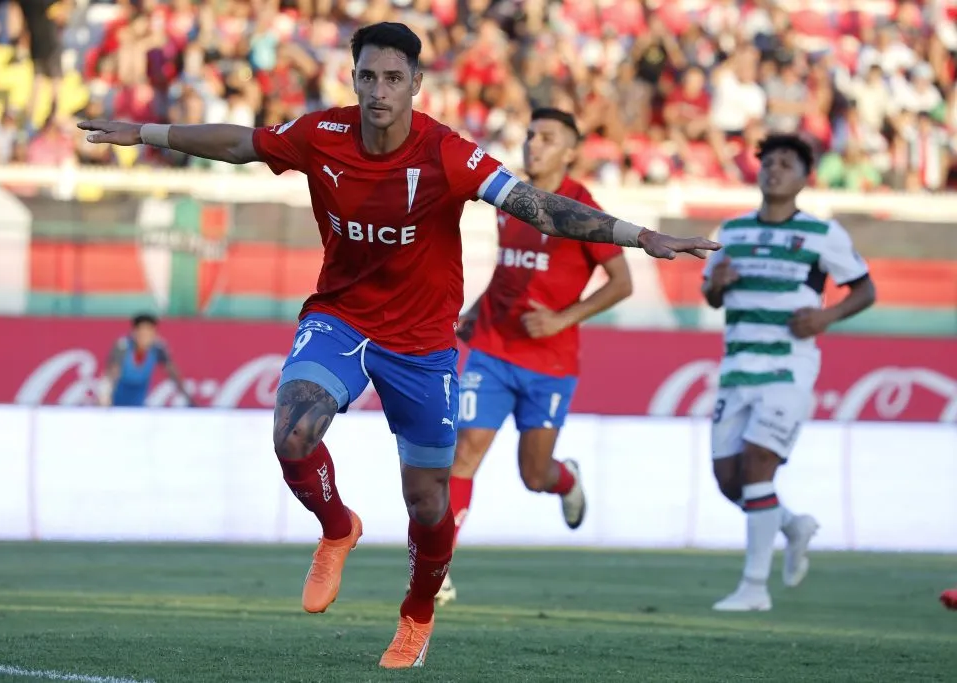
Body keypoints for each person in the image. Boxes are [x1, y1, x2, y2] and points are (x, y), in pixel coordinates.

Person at [80, 22, 720, 669]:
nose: (378, 90)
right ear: (352, 78)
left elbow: (538, 206)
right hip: (341, 319)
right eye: (367, 76)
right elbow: (243, 143)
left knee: (428, 500)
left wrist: (641, 236)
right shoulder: (321, 135)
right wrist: (147, 132)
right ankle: (338, 527)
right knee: (293, 431)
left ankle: (416, 611)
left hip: (420, 343)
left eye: (393, 78)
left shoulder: (448, 154)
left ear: (416, 83)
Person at [438, 108, 633, 606]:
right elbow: (510, 270)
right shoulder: (509, 199)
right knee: (463, 454)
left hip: (550, 362)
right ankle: (438, 570)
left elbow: (622, 284)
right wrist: (477, 311)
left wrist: (561, 319)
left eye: (547, 138)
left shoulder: (583, 207)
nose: (533, 145)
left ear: (570, 152)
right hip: (493, 349)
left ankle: (565, 478)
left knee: (535, 475)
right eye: (530, 135)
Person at [701, 134, 876, 612]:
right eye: (768, 162)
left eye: (786, 163)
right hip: (737, 366)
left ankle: (754, 588)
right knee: (728, 480)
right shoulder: (731, 231)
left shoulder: (823, 234)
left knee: (758, 463)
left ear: (804, 177)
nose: (774, 170)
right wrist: (715, 286)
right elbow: (712, 296)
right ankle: (793, 524)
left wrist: (825, 317)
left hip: (788, 367)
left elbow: (865, 290)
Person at [98, 313, 194, 408]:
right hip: (116, 402)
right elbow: (111, 374)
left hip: (139, 403)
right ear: (134, 332)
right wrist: (104, 397)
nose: (145, 338)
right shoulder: (123, 347)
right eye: (142, 334)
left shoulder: (158, 348)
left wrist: (189, 399)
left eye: (149, 333)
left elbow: (173, 374)